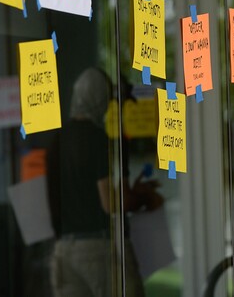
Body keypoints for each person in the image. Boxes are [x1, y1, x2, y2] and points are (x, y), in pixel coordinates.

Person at [47, 68, 162, 297]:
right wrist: (144, 198)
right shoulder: (97, 138)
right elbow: (110, 203)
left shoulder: (57, 139)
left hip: (62, 251)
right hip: (96, 249)